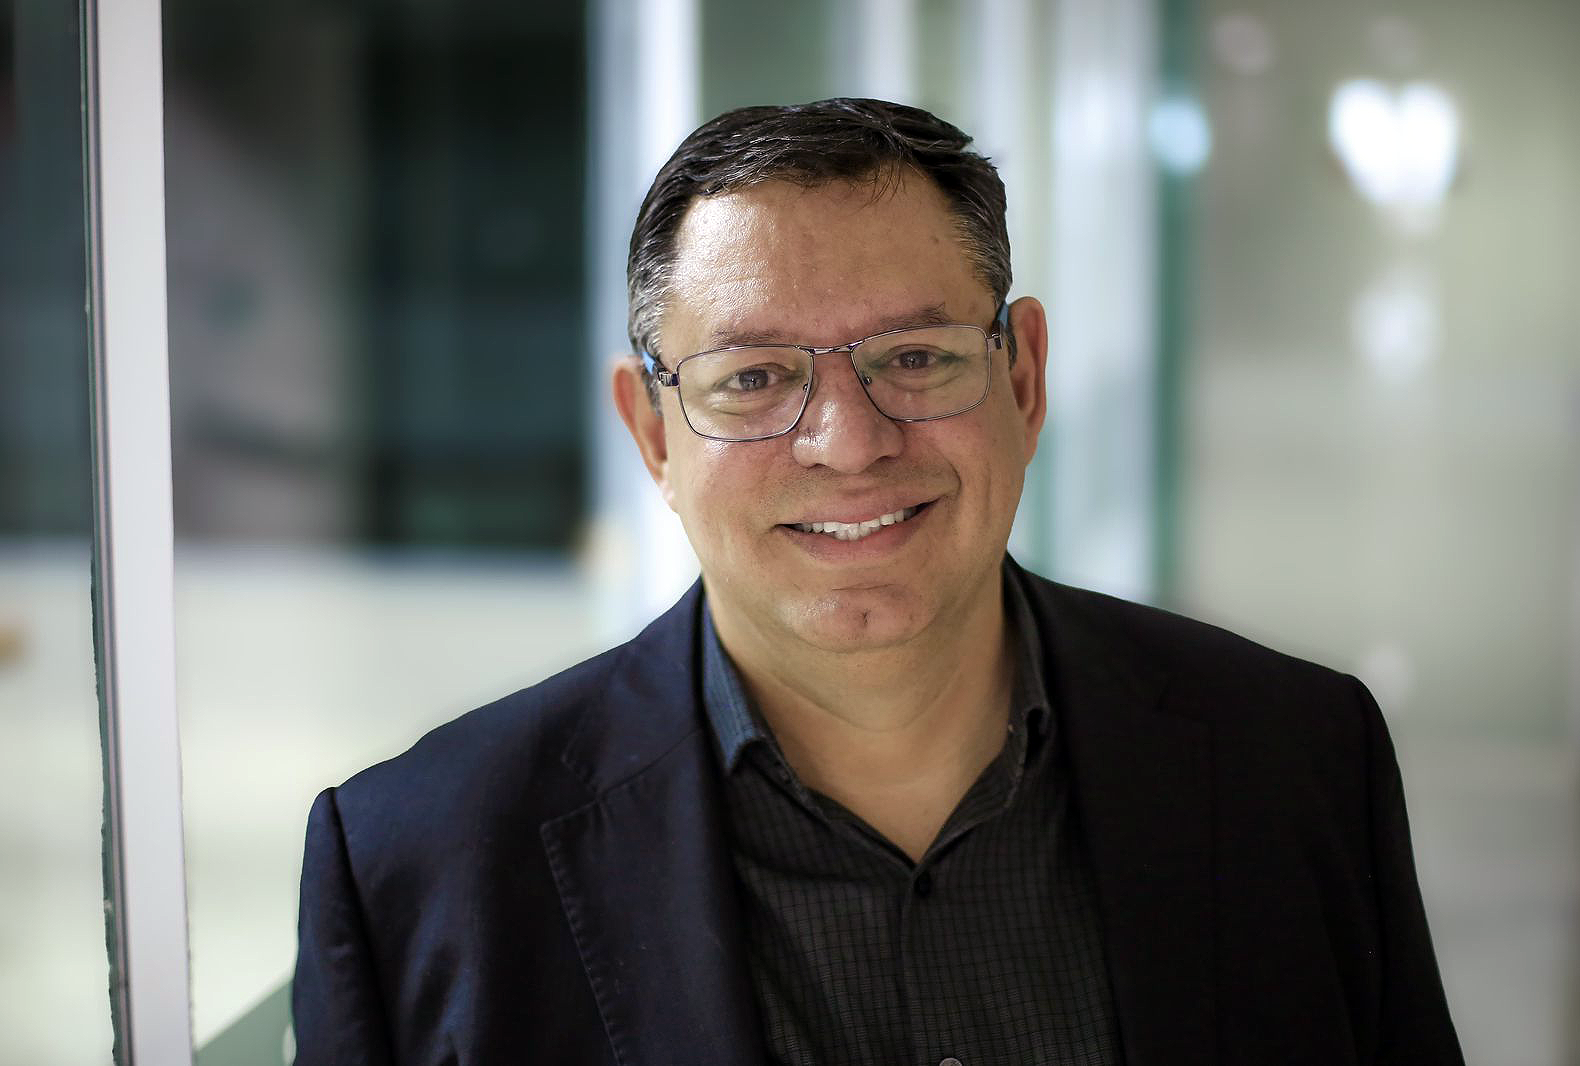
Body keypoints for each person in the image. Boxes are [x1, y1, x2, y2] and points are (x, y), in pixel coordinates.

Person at [292, 98, 1464, 1066]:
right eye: (753, 378)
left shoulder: (1298, 760)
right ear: (652, 434)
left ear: (1024, 378)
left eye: (914, 357)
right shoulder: (422, 866)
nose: (848, 444)